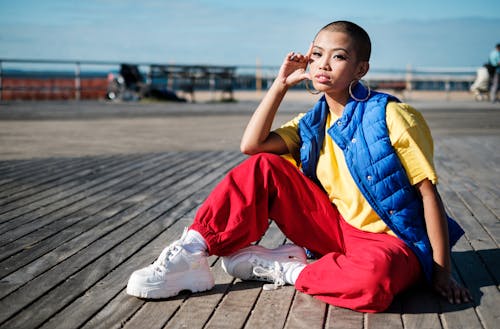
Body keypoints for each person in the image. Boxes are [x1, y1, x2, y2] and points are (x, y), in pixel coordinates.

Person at [126, 20, 471, 312]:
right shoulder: (312, 122)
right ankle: (192, 256)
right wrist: (280, 84)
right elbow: (252, 146)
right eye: (317, 54)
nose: (323, 64)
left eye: (339, 57)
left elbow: (428, 195)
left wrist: (441, 272)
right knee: (264, 166)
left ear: (360, 69)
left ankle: (286, 268)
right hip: (334, 230)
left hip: (389, 241)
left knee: (374, 281)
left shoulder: (393, 116)